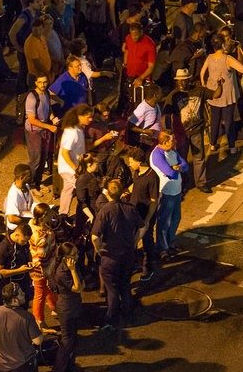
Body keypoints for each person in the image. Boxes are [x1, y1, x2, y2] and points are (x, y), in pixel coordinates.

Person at [91, 179, 144, 331]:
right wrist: (135, 241)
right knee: (125, 284)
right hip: (127, 254)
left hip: (110, 257)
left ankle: (111, 318)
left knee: (112, 289)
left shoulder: (105, 210)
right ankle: (127, 313)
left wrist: (98, 249)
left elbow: (95, 237)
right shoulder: (130, 208)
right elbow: (142, 227)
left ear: (108, 193)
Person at [163, 68, 223, 194]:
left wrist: (220, 85)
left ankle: (201, 183)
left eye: (184, 80)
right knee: (182, 159)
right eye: (179, 81)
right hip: (180, 133)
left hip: (196, 130)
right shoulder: (173, 96)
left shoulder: (199, 90)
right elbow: (166, 114)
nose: (182, 83)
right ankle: (184, 183)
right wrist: (168, 131)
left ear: (189, 79)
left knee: (199, 157)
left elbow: (216, 95)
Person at [200, 35, 243, 155]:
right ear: (222, 45)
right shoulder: (227, 59)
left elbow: (202, 72)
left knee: (215, 120)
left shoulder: (210, 57)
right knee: (229, 122)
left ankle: (212, 144)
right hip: (227, 95)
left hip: (213, 93)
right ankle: (232, 147)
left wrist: (204, 85)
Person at [0, 282, 43, 372]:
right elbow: (37, 341)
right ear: (15, 300)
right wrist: (39, 328)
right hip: (23, 365)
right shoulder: (27, 316)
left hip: (1, 365)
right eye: (20, 293)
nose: (23, 294)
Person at [150, 130, 189, 261]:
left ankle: (170, 242)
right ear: (165, 142)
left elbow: (185, 165)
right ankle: (162, 248)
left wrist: (177, 167)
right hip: (166, 193)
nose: (175, 142)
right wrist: (177, 168)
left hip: (176, 192)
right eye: (172, 141)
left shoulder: (172, 151)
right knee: (164, 222)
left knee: (176, 218)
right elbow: (169, 173)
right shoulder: (157, 155)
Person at [126, 146, 160, 280]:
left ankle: (148, 267)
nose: (129, 164)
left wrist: (147, 220)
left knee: (147, 240)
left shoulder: (152, 177)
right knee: (132, 239)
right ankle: (134, 262)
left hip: (145, 214)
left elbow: (153, 201)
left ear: (138, 162)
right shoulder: (137, 173)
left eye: (131, 161)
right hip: (134, 213)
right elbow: (135, 185)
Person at [51, 242, 83, 372]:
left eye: (77, 253)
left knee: (73, 340)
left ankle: (70, 366)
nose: (77, 256)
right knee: (67, 341)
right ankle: (59, 368)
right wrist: (73, 270)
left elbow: (82, 285)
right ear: (65, 258)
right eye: (73, 254)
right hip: (66, 309)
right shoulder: (62, 272)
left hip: (74, 306)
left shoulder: (72, 266)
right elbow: (78, 287)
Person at [58, 104, 94, 215]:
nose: (91, 119)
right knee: (85, 189)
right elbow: (65, 152)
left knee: (67, 191)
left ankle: (62, 214)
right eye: (88, 117)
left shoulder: (79, 129)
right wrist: (76, 168)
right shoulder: (72, 132)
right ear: (79, 116)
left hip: (72, 167)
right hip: (69, 169)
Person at [25, 75, 58, 194]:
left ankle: (38, 182)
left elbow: (49, 110)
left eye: (45, 82)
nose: (43, 85)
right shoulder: (32, 97)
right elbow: (32, 120)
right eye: (40, 82)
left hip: (44, 130)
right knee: (36, 159)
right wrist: (49, 126)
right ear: (35, 83)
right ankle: (31, 185)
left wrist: (53, 118)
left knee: (43, 157)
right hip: (34, 131)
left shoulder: (46, 94)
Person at [28, 203, 57, 332]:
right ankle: (39, 321)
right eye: (49, 212)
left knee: (48, 288)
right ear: (44, 216)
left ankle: (54, 306)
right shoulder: (40, 235)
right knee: (39, 293)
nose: (52, 214)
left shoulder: (36, 226)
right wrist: (48, 273)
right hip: (41, 269)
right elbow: (41, 256)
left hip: (46, 266)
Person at [0, 224, 34, 305]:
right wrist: (20, 271)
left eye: (27, 241)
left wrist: (29, 261)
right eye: (23, 241)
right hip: (10, 287)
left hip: (24, 283)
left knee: (25, 305)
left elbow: (28, 252)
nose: (25, 243)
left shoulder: (24, 243)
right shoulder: (3, 247)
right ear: (16, 235)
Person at [4, 164, 35, 231]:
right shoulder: (14, 194)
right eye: (29, 176)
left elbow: (31, 201)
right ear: (21, 178)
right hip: (17, 228)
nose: (32, 177)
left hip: (27, 217)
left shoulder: (26, 186)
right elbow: (11, 218)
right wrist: (29, 223)